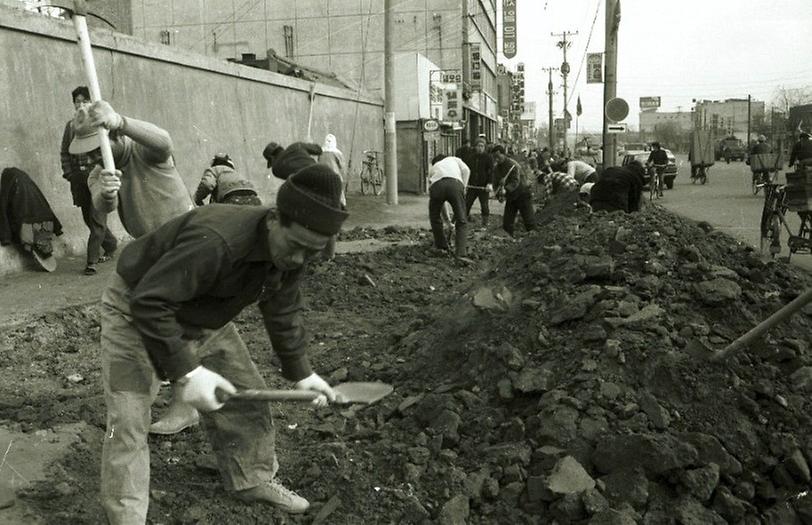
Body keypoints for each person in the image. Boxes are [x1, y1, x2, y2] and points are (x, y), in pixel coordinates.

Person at [98, 160, 348, 522]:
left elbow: (282, 311)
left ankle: (252, 479)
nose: (299, 259)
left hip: (204, 314)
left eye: (312, 252)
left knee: (247, 395)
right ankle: (127, 518)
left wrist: (302, 373)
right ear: (274, 218)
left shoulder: (294, 252)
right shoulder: (218, 240)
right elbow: (150, 302)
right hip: (135, 311)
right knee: (129, 420)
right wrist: (187, 370)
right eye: (296, 246)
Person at [68, 100, 198, 435]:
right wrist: (108, 196)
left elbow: (164, 141)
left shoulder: (145, 153)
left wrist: (121, 120)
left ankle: (187, 406)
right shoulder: (100, 172)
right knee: (156, 323)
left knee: (183, 325)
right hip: (154, 253)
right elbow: (100, 205)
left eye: (99, 147)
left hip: (188, 243)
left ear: (113, 135)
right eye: (89, 152)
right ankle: (157, 397)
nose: (95, 156)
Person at [60, 86, 118, 275]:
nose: (81, 105)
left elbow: (111, 150)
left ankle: (91, 262)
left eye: (85, 101)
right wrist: (69, 174)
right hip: (79, 179)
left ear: (92, 103)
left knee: (97, 218)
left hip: (97, 176)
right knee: (89, 218)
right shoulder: (71, 126)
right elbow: (65, 152)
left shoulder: (100, 123)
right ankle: (110, 244)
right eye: (77, 101)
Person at [427, 154, 470, 257]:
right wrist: (464, 186)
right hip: (455, 184)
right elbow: (467, 170)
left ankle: (442, 247)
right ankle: (460, 253)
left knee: (435, 218)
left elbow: (441, 203)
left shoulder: (433, 169)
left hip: (436, 186)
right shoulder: (454, 159)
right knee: (461, 220)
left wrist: (447, 221)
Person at [492, 145, 536, 236]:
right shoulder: (496, 168)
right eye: (494, 157)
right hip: (511, 198)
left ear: (504, 154)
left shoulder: (512, 165)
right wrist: (499, 196)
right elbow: (495, 183)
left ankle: (534, 240)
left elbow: (515, 181)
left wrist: (506, 190)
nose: (496, 159)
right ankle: (508, 240)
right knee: (507, 223)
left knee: (529, 221)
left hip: (522, 194)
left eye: (498, 156)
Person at [194, 153, 261, 206]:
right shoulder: (236, 174)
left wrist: (197, 198)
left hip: (232, 199)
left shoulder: (214, 169)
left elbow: (207, 184)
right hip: (253, 198)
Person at [464, 138, 495, 229]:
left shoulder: (488, 157)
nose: (480, 148)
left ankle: (485, 223)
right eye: (478, 146)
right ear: (475, 147)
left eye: (482, 146)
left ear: (484, 147)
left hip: (483, 186)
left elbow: (491, 171)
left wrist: (490, 183)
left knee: (484, 205)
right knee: (467, 204)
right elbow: (466, 170)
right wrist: (466, 182)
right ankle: (463, 222)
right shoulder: (471, 157)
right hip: (472, 186)